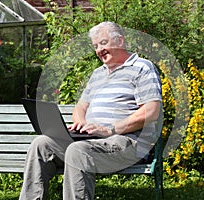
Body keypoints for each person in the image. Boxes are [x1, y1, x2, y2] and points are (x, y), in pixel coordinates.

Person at [19, 21, 162, 200]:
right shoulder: (98, 74)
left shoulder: (142, 68)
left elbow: (151, 111)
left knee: (78, 151)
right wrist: (82, 125)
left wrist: (109, 130)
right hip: (92, 141)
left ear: (120, 41)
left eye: (103, 43)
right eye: (95, 46)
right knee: (41, 144)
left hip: (127, 142)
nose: (99, 50)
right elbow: (80, 107)